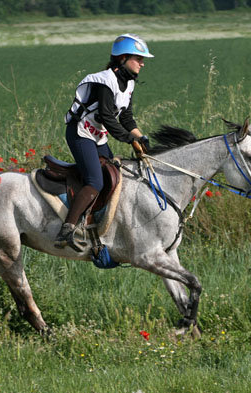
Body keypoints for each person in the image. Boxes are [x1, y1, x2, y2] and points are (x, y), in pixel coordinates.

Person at [54, 33, 153, 251]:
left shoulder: (128, 84)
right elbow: (108, 117)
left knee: (116, 177)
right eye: (138, 58)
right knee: (95, 182)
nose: (142, 63)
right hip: (81, 133)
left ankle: (96, 226)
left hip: (97, 135)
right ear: (123, 58)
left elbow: (126, 118)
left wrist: (141, 139)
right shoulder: (105, 81)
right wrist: (129, 140)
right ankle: (67, 229)